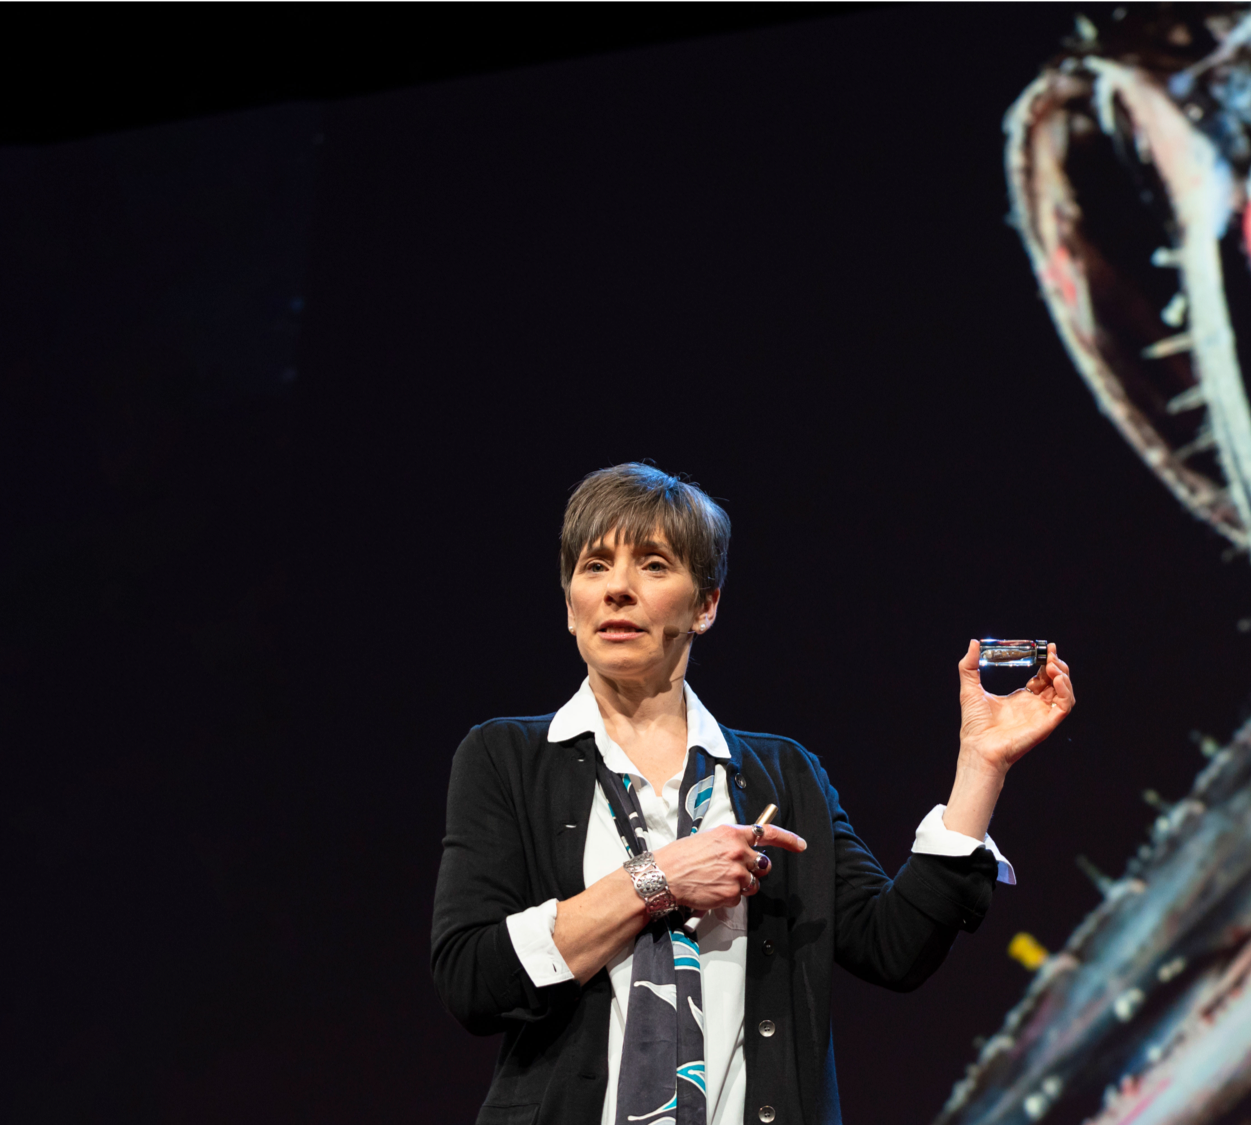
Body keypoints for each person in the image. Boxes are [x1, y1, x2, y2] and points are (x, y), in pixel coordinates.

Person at [431, 463, 1075, 1125]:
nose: (617, 589)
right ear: (570, 603)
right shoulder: (506, 757)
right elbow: (472, 979)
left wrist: (981, 763)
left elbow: (893, 946)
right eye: (595, 566)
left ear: (706, 604)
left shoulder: (781, 775)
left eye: (653, 564)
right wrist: (661, 878)